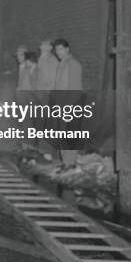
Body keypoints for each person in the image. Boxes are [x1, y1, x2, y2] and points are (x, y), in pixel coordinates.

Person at [53, 38, 83, 167]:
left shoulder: (73, 64)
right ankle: (66, 165)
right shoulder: (62, 64)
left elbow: (75, 89)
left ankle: (69, 165)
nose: (58, 52)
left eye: (60, 49)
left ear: (67, 49)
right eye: (56, 49)